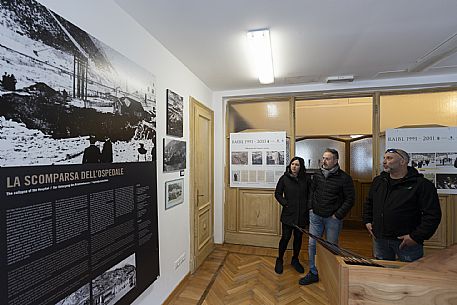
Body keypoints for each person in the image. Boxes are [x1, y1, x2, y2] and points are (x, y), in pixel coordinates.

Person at [363, 148, 441, 262]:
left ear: (402, 161)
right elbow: (369, 202)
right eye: (384, 158)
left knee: (410, 274)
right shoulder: (379, 181)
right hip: (380, 239)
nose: (384, 161)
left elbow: (432, 215)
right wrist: (367, 221)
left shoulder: (422, 185)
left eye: (389, 158)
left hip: (406, 241)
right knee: (382, 274)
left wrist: (416, 237)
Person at [299, 148, 355, 285]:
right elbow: (312, 191)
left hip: (332, 218)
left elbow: (350, 199)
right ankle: (313, 272)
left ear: (336, 160)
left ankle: (332, 273)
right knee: (312, 244)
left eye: (327, 158)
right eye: (323, 158)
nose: (324, 161)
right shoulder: (317, 174)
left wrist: (338, 215)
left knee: (331, 246)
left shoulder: (344, 178)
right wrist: (311, 207)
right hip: (316, 216)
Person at [274, 156, 310, 274]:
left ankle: (295, 259)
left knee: (298, 238)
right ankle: (279, 259)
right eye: (292, 164)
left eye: (297, 165)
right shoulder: (284, 178)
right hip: (288, 214)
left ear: (301, 167)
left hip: (302, 215)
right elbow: (278, 194)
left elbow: (310, 194)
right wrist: (285, 203)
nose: (294, 166)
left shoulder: (306, 179)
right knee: (285, 237)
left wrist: (308, 207)